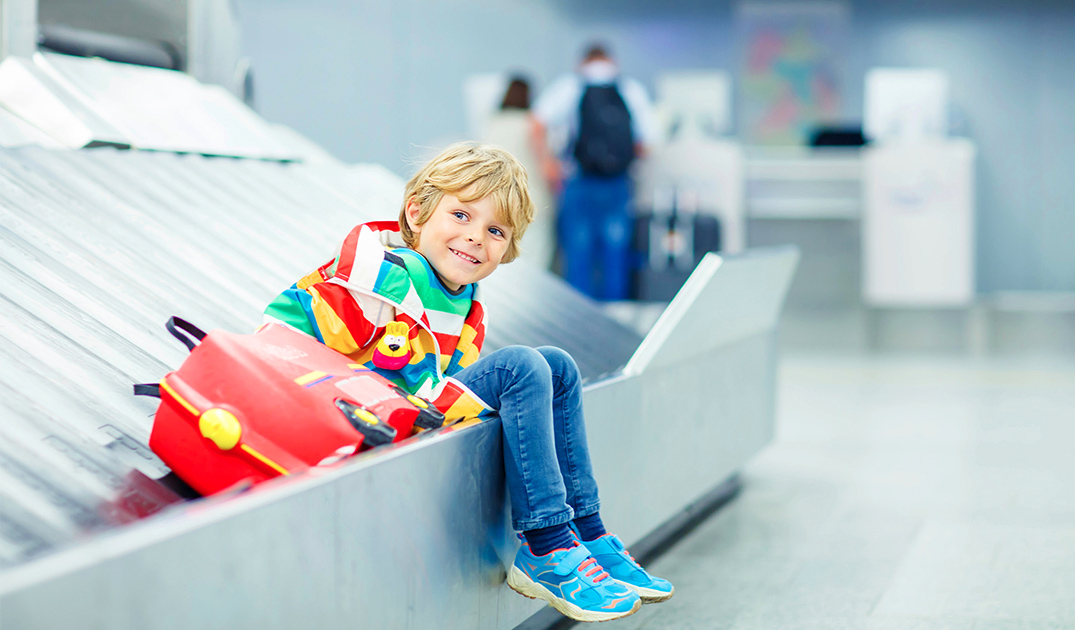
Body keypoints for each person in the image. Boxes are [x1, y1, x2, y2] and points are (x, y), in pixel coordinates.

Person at [263, 143, 673, 623]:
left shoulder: (459, 298)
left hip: (389, 400)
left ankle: (588, 533)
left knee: (556, 366)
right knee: (520, 366)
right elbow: (366, 378)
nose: (475, 237)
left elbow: (428, 383)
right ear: (416, 213)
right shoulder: (379, 283)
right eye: (461, 215)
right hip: (325, 412)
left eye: (495, 230)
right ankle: (545, 546)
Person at [531, 43, 658, 300]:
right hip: (618, 183)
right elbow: (646, 143)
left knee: (578, 251)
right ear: (612, 61)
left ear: (582, 62)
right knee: (616, 252)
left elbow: (535, 124)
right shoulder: (630, 89)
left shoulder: (569, 86)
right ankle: (617, 314)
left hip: (579, 180)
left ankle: (578, 316)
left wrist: (549, 164)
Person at [483, 75, 556, 270]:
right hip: (533, 197)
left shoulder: (493, 122)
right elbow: (547, 166)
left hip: (498, 198)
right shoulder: (533, 123)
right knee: (535, 256)